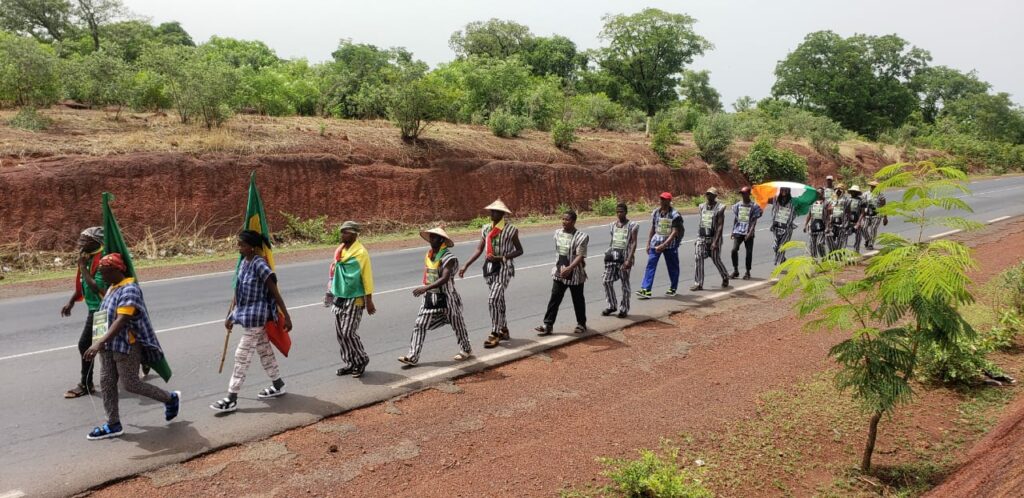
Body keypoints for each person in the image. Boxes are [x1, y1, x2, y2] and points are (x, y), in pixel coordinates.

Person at [83, 253, 180, 440]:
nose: (102, 276)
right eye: (101, 272)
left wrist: (99, 342)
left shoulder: (130, 289)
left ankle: (170, 398)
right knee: (107, 383)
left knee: (130, 384)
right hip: (108, 346)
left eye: (105, 272)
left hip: (126, 345)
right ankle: (113, 424)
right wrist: (100, 341)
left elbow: (122, 319)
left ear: (117, 270)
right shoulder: (112, 288)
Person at [211, 230, 293, 413]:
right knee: (264, 351)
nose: (238, 247)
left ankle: (231, 397)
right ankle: (278, 384)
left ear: (253, 248)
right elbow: (237, 291)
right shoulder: (244, 263)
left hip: (257, 317)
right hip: (245, 315)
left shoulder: (259, 264)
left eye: (242, 245)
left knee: (242, 355)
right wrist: (230, 315)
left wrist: (286, 316)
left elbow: (274, 291)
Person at [400, 227, 472, 366]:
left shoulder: (449, 257)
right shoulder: (429, 255)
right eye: (431, 237)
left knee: (457, 323)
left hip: (447, 297)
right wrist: (427, 289)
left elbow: (445, 278)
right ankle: (412, 356)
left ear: (441, 240)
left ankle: (466, 349)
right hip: (430, 297)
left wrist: (425, 288)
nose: (431, 239)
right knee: (420, 324)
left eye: (434, 237)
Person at [459, 199, 524, 348]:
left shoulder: (511, 230)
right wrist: (466, 265)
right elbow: (479, 249)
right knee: (498, 300)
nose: (492, 214)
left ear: (502, 214)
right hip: (489, 267)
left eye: (495, 212)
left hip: (503, 267)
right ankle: (504, 329)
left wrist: (501, 257)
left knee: (493, 299)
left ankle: (495, 333)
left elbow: (520, 250)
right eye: (491, 211)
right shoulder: (486, 229)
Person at [60, 227, 108, 399]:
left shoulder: (102, 259)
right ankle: (143, 358)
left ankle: (86, 384)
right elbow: (83, 283)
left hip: (101, 311)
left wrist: (82, 266)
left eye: (84, 240)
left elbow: (96, 287)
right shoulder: (88, 257)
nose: (79, 243)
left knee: (86, 345)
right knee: (108, 345)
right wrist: (71, 301)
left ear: (96, 242)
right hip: (94, 309)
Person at [325, 221, 376, 378]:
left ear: (354, 234)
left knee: (348, 332)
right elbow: (334, 272)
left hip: (356, 297)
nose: (342, 235)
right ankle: (350, 362)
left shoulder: (360, 253)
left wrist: (369, 300)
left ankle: (361, 359)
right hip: (340, 294)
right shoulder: (340, 251)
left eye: (345, 232)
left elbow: (366, 276)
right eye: (341, 232)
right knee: (340, 333)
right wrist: (330, 292)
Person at [536, 210, 590, 335]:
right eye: (563, 219)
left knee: (578, 300)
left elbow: (580, 255)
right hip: (559, 272)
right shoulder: (557, 233)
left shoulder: (582, 237)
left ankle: (581, 324)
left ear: (574, 221)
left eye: (567, 220)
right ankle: (548, 324)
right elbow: (559, 252)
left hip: (575, 274)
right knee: (554, 298)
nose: (564, 222)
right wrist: (561, 267)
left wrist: (570, 268)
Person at [636, 192, 683, 299]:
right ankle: (646, 290)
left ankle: (673, 288)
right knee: (650, 266)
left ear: (669, 201)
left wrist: (664, 245)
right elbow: (653, 228)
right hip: (656, 243)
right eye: (661, 199)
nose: (662, 201)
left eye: (665, 199)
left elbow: (675, 232)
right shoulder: (656, 212)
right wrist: (648, 243)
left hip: (669, 245)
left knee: (673, 267)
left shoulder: (675, 214)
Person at [601, 203, 640, 318]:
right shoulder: (612, 225)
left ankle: (624, 308)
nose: (619, 214)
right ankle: (612, 305)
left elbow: (633, 242)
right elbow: (612, 241)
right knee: (606, 280)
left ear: (626, 212)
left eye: (621, 211)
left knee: (625, 284)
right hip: (613, 257)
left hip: (625, 258)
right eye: (617, 211)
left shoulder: (633, 225)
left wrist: (629, 259)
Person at [692, 187, 729, 291]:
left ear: (715, 196)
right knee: (698, 258)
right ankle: (698, 283)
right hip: (702, 237)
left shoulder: (720, 208)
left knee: (716, 259)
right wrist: (697, 238)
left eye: (711, 194)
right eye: (707, 194)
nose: (709, 196)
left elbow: (720, 226)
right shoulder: (701, 207)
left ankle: (725, 276)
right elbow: (702, 222)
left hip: (714, 238)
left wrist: (715, 242)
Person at [729, 186, 762, 280]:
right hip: (738, 231)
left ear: (749, 194)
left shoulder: (754, 206)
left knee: (749, 252)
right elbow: (736, 218)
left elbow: (754, 221)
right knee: (734, 250)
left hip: (748, 232)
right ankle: (735, 270)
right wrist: (732, 231)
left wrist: (750, 233)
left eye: (745, 193)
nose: (743, 195)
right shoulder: (737, 205)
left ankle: (747, 271)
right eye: (742, 194)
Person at [769, 187, 798, 266]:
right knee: (775, 247)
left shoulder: (792, 202)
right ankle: (783, 259)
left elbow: (793, 214)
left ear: (789, 191)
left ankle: (779, 264)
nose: (784, 191)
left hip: (787, 228)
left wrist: (788, 223)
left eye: (786, 190)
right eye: (782, 189)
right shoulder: (776, 199)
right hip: (777, 227)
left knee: (782, 247)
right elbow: (773, 208)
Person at [804, 188, 832, 259]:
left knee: (819, 243)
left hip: (822, 226)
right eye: (817, 193)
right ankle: (814, 261)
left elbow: (829, 216)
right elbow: (809, 214)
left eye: (820, 193)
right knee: (812, 245)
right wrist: (805, 225)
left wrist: (828, 226)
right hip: (812, 226)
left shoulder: (827, 203)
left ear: (823, 193)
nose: (818, 194)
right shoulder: (813, 202)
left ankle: (824, 258)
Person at [862, 180, 888, 250]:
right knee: (863, 228)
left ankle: (871, 244)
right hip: (867, 214)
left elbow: (884, 206)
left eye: (875, 187)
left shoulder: (881, 195)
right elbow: (863, 205)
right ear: (870, 186)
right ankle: (867, 239)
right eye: (872, 186)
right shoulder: (865, 194)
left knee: (873, 228)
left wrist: (885, 217)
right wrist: (862, 215)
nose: (873, 188)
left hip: (877, 214)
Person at [827, 184, 849, 253]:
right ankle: (832, 251)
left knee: (841, 238)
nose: (838, 191)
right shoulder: (832, 198)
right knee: (832, 236)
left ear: (843, 191)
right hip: (833, 220)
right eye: (837, 189)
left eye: (840, 189)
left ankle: (840, 252)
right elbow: (828, 209)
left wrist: (847, 222)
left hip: (842, 221)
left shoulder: (846, 199)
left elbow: (848, 211)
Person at [846, 185, 867, 253]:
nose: (853, 192)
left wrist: (858, 222)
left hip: (857, 220)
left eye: (854, 191)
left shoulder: (861, 201)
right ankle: (843, 250)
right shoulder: (847, 200)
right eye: (852, 191)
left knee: (858, 237)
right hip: (848, 221)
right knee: (845, 235)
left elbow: (863, 212)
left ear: (857, 192)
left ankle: (856, 250)